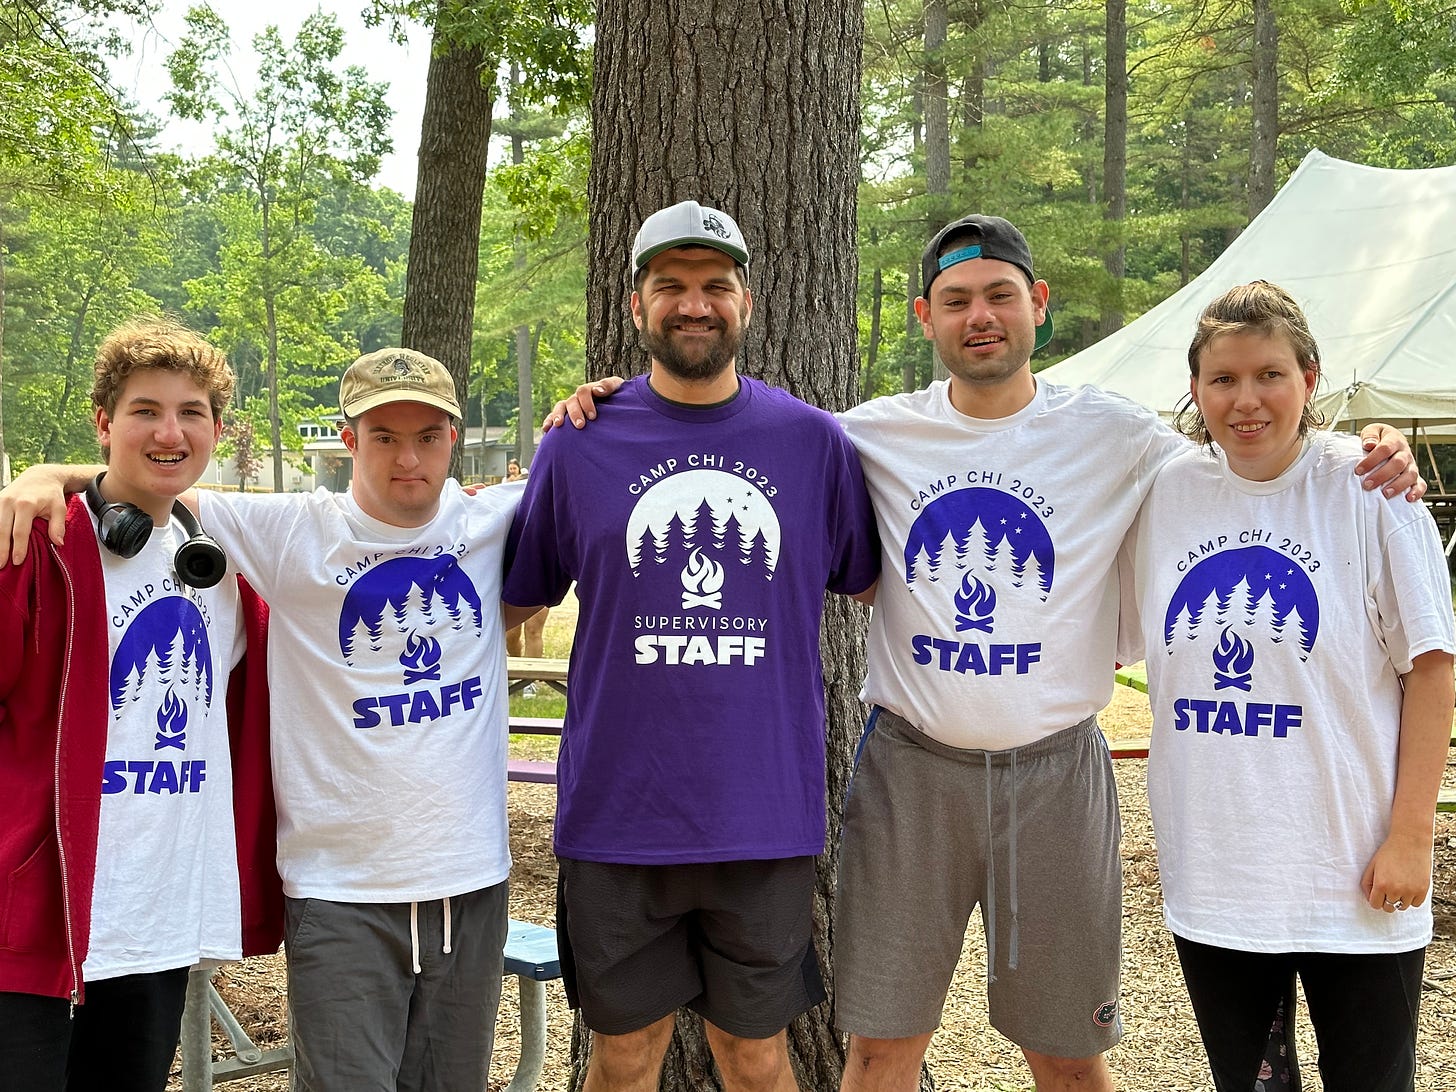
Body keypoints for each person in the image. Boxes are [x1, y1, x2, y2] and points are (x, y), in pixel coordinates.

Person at [549, 214, 1423, 1092]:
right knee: (882, 1050)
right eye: (957, 299)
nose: (981, 316)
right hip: (911, 769)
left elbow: (1251, 451)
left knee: (1070, 1057)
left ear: (1037, 305)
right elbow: (733, 433)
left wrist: (1366, 452)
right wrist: (603, 404)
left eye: (1001, 295)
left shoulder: (1121, 436)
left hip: (1055, 772)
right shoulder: (862, 436)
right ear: (926, 317)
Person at [0, 347, 534, 1092]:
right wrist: (41, 477)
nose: (406, 456)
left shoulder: (485, 517)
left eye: (192, 413)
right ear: (348, 440)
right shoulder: (260, 535)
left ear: (453, 435)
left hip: (178, 920)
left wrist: (602, 402)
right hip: (65, 916)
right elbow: (136, 481)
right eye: (382, 435)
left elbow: (585, 477)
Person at [502, 200, 880, 1092]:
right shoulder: (579, 443)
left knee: (756, 1056)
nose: (694, 303)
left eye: (715, 285)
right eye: (669, 285)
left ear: (747, 302)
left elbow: (873, 582)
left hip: (763, 813)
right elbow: (515, 598)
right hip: (617, 815)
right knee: (623, 1058)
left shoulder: (814, 443)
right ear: (637, 307)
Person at [1125, 281, 1454, 1091]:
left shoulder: (1370, 487)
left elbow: (1433, 664)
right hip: (1218, 872)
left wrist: (1414, 835)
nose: (1246, 400)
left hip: (1353, 871)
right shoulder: (1167, 491)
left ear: (1309, 377)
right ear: (1195, 391)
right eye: (1223, 380)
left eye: (1269, 374)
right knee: (1252, 1083)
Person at [0, 318, 279, 1092]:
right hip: (39, 916)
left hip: (158, 917)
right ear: (103, 423)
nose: (169, 431)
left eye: (191, 412)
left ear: (216, 430)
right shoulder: (38, 543)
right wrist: (41, 479)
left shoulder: (228, 567)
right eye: (144, 410)